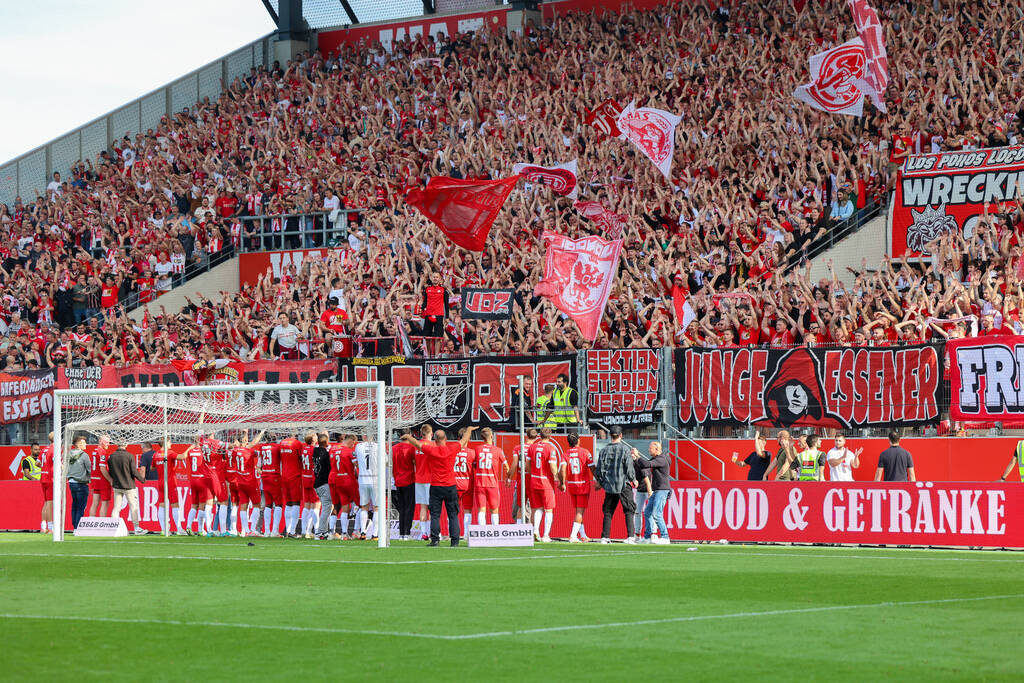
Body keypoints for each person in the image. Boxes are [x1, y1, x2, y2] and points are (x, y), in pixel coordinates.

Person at [401, 425, 462, 547]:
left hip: (425, 481)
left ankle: (430, 537)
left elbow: (415, 451)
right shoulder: (443, 447)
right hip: (442, 483)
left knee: (431, 512)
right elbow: (462, 441)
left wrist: (409, 437)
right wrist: (469, 430)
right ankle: (453, 540)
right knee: (452, 513)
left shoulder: (426, 448)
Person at [593, 425, 638, 544]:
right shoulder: (625, 449)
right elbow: (629, 468)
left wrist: (600, 481)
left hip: (609, 485)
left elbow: (599, 469)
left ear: (609, 436)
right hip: (623, 483)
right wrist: (633, 479)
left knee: (608, 511)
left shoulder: (603, 450)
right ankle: (630, 536)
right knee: (629, 509)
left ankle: (605, 537)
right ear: (621, 435)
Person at [528, 427, 562, 542]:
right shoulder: (550, 448)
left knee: (538, 508)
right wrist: (557, 478)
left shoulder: (533, 447)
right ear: (550, 436)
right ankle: (546, 535)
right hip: (546, 482)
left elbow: (528, 465)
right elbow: (552, 466)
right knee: (548, 509)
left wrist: (533, 473)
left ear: (540, 435)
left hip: (534, 480)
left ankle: (535, 531)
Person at [107, 443, 148, 535]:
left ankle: (114, 527)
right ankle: (136, 528)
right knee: (133, 506)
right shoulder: (129, 456)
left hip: (117, 485)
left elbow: (110, 471)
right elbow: (133, 471)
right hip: (129, 485)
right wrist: (142, 479)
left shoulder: (111, 456)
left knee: (116, 507)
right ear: (126, 445)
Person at [472, 427, 507, 526]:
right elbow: (506, 466)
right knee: (494, 510)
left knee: (481, 510)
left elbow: (474, 465)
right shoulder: (498, 450)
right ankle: (495, 532)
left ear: (482, 437)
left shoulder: (477, 449)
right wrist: (507, 478)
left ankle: (482, 533)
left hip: (480, 483)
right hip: (492, 484)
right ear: (491, 436)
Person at [563, 431, 594, 543]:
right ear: (579, 440)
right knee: (579, 512)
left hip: (571, 484)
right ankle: (572, 536)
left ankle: (583, 535)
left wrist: (562, 482)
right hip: (582, 485)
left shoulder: (566, 453)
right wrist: (598, 480)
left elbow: (562, 469)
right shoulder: (585, 452)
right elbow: (592, 467)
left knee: (578, 511)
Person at [327, 434, 358, 539]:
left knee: (336, 505)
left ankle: (331, 531)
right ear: (350, 441)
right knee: (356, 505)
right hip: (347, 480)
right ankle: (351, 532)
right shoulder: (349, 451)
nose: (353, 446)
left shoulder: (332, 449)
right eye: (353, 443)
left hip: (333, 479)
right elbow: (357, 465)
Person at [641, 441, 671, 545]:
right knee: (648, 512)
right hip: (657, 490)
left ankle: (665, 537)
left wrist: (637, 456)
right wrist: (636, 459)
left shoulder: (661, 459)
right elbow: (644, 465)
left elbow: (646, 464)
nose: (649, 450)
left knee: (657, 514)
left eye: (650, 448)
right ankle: (647, 537)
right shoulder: (658, 459)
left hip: (662, 490)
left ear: (657, 449)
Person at [506, 428, 539, 523]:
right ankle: (532, 530)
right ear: (536, 437)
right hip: (533, 479)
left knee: (520, 506)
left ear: (526, 436)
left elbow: (514, 464)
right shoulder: (536, 448)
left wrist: (509, 478)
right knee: (534, 508)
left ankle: (519, 529)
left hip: (521, 479)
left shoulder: (518, 448)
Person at [392, 429, 418, 540]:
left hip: (398, 480)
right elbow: (415, 463)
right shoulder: (412, 448)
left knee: (401, 508)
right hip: (409, 480)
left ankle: (401, 533)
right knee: (409, 507)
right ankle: (407, 533)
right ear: (410, 435)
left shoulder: (393, 449)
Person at [278, 433, 304, 538]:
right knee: (296, 503)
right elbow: (302, 458)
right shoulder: (297, 444)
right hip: (295, 476)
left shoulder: (282, 443)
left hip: (284, 475)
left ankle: (287, 530)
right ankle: (292, 531)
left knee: (288, 503)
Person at [185, 440, 213, 536]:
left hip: (193, 479)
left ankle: (188, 526)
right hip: (201, 479)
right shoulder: (202, 452)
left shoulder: (190, 452)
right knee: (202, 506)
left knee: (194, 505)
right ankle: (200, 529)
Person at [258, 438, 284, 537]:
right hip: (274, 476)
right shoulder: (277, 447)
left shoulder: (262, 447)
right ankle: (274, 531)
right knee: (278, 504)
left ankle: (267, 531)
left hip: (265, 477)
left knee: (268, 504)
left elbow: (258, 466)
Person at [412, 425, 434, 540]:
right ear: (431, 433)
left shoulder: (416, 446)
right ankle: (433, 532)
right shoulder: (433, 445)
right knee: (433, 507)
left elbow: (414, 461)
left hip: (419, 478)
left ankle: (423, 533)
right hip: (430, 479)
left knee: (423, 507)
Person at [454, 426, 477, 536]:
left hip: (454, 484)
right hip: (467, 484)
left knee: (453, 511)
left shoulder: (452, 451)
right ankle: (467, 535)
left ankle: (453, 533)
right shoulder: (472, 453)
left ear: (458, 438)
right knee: (467, 510)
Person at [354, 436, 378, 540]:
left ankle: (363, 532)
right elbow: (386, 461)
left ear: (364, 436)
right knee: (377, 508)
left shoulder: (358, 446)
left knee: (364, 506)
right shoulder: (378, 446)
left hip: (363, 479)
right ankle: (375, 534)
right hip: (375, 479)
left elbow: (355, 462)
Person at [66, 436, 91, 529]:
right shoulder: (84, 455)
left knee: (75, 505)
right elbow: (89, 469)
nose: (86, 444)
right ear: (79, 444)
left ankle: (75, 525)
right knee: (81, 506)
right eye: (84, 443)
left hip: (71, 482)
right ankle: (78, 526)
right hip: (81, 482)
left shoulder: (68, 454)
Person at [86, 435, 114, 518]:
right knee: (105, 503)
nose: (108, 444)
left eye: (109, 442)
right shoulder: (102, 452)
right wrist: (110, 480)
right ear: (101, 441)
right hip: (102, 481)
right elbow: (102, 468)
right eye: (106, 442)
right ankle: (102, 524)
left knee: (95, 503)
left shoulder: (94, 451)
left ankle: (91, 523)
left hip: (95, 479)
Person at [312, 433, 332, 540]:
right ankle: (320, 532)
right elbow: (329, 468)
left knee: (326, 507)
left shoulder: (314, 452)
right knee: (326, 507)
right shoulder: (325, 454)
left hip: (317, 483)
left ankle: (323, 532)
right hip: (323, 483)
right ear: (326, 442)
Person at [300, 433, 319, 538]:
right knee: (316, 504)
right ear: (312, 439)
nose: (317, 437)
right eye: (315, 435)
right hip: (313, 478)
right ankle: (316, 531)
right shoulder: (315, 450)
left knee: (306, 505)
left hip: (305, 477)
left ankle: (304, 531)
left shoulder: (303, 449)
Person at [38, 435, 54, 533]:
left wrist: (44, 467)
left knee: (46, 502)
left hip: (43, 477)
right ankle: (51, 527)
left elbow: (37, 463)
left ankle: (43, 527)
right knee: (49, 503)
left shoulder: (44, 449)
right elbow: (57, 463)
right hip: (50, 478)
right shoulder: (53, 449)